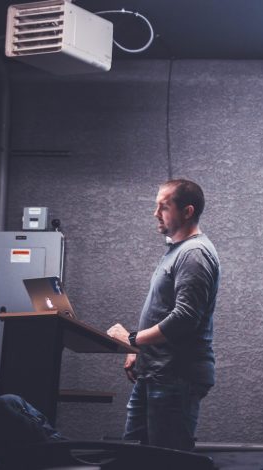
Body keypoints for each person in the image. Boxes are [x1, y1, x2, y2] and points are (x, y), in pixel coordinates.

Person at [107, 179, 220, 451]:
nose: (156, 213)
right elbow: (164, 311)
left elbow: (184, 318)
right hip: (155, 372)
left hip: (175, 377)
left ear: (187, 211)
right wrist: (138, 348)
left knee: (167, 461)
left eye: (164, 206)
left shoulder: (194, 254)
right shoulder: (176, 251)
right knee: (135, 457)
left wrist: (133, 339)